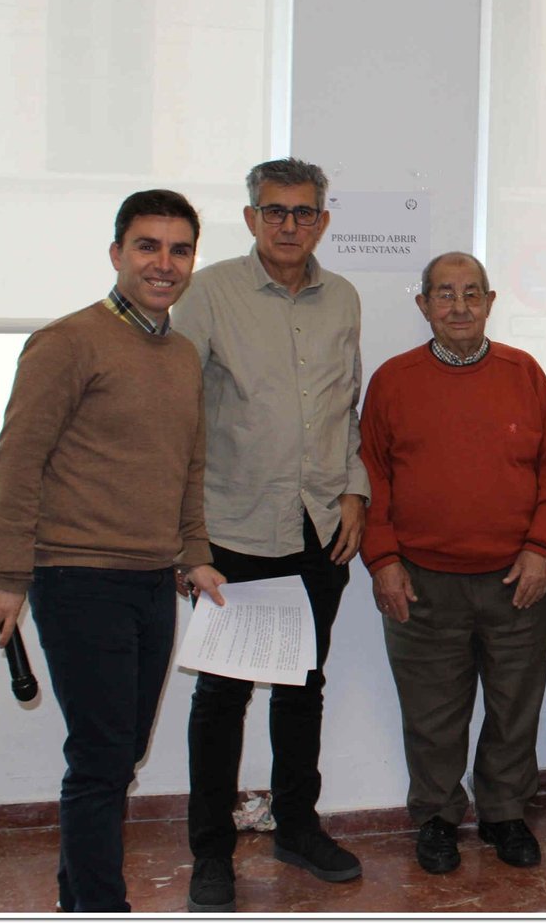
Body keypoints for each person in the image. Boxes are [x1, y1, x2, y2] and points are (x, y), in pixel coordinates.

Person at [0, 190, 222, 913]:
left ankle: (77, 898)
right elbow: (18, 462)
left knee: (119, 757)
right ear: (116, 254)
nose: (164, 263)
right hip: (77, 579)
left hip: (154, 584)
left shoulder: (181, 355)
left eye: (179, 249)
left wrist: (195, 552)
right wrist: (6, 575)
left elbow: (188, 467)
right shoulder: (67, 342)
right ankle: (96, 908)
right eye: (147, 246)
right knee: (101, 762)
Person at [171, 158, 368, 912]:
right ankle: (210, 853)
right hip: (233, 529)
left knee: (302, 689)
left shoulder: (343, 297)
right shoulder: (208, 292)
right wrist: (188, 543)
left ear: (323, 218)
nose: (290, 224)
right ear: (251, 217)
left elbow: (346, 407)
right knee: (221, 698)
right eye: (275, 211)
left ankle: (297, 827)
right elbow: (176, 411)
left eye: (305, 211)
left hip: (318, 528)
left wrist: (356, 490)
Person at [359, 252, 546, 875]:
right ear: (423, 305)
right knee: (432, 714)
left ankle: (505, 813)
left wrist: (541, 550)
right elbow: (370, 476)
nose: (459, 306)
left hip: (516, 580)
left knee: (515, 707)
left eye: (471, 293)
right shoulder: (394, 380)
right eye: (445, 294)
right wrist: (382, 560)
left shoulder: (523, 373)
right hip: (420, 582)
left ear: (490, 300)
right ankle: (437, 817)